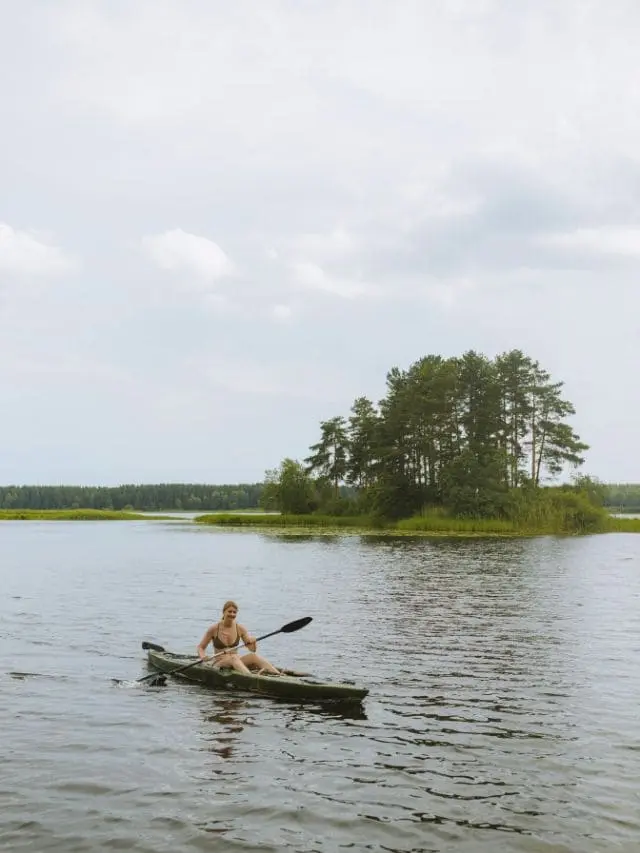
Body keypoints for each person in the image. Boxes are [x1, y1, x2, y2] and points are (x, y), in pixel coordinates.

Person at [197, 600, 280, 676]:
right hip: (219, 663)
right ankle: (251, 677)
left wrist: (253, 642)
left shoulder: (240, 628)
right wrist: (203, 656)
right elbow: (200, 647)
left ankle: (278, 675)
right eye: (229, 611)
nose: (232, 614)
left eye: (234, 612)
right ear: (224, 612)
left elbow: (252, 650)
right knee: (233, 658)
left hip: (237, 661)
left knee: (253, 656)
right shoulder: (214, 629)